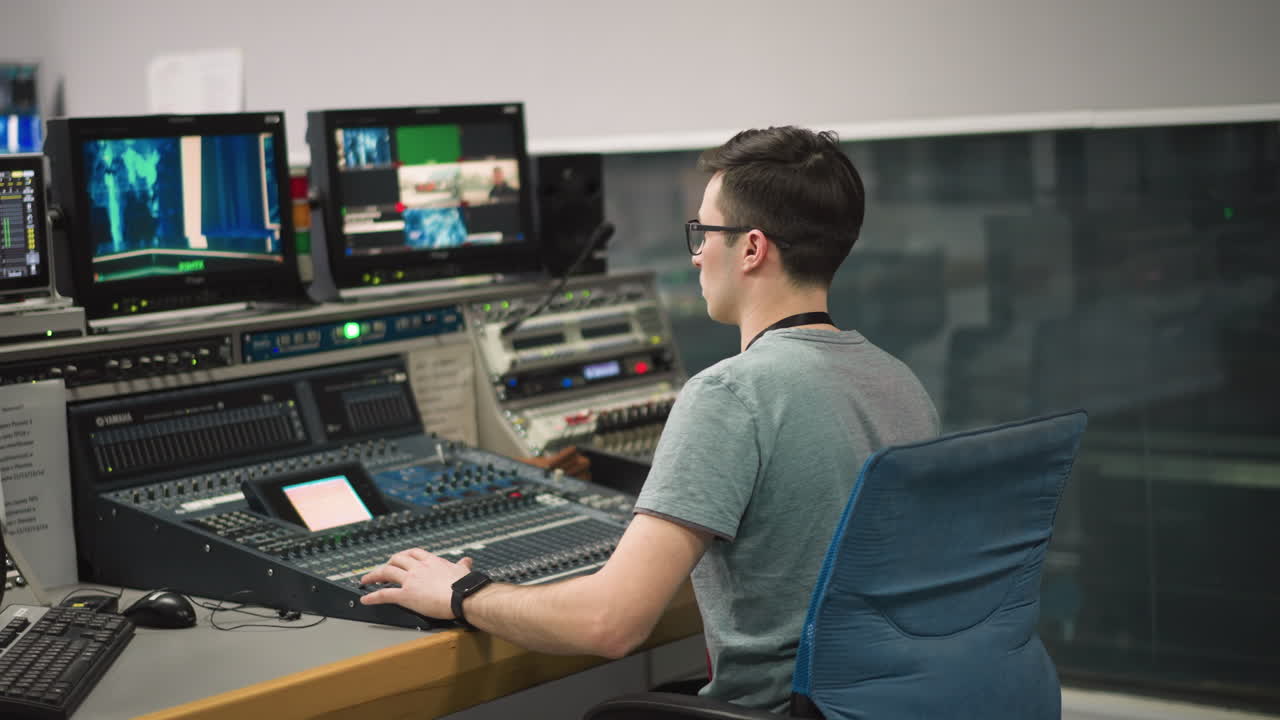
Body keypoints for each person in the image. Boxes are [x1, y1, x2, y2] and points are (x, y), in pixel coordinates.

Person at [359, 126, 939, 712]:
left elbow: (610, 623)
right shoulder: (901, 383)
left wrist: (461, 592)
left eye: (704, 232)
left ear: (751, 248)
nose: (695, 253)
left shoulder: (729, 394)